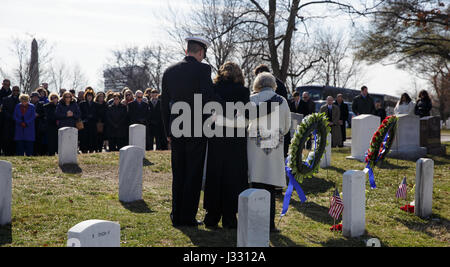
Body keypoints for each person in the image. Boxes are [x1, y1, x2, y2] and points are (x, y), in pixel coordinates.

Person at [161, 36, 213, 227]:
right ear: (200, 52)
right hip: (196, 128)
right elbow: (208, 99)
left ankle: (176, 214)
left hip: (176, 127)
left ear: (186, 51)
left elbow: (164, 104)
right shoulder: (203, 69)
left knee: (179, 172)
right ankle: (188, 216)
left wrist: (167, 130)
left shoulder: (169, 71)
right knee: (193, 172)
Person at [203, 62, 250, 229]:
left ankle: (212, 215)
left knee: (215, 173)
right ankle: (230, 216)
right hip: (236, 137)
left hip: (217, 135)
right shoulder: (243, 91)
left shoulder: (215, 89)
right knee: (234, 175)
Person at [247, 72, 291, 233]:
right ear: (273, 85)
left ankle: (254, 221)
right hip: (274, 145)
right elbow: (286, 127)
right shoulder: (282, 101)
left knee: (255, 183)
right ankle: (269, 224)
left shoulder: (252, 100)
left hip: (255, 146)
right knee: (270, 187)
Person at [1, 86, 20, 156]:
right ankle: (7, 153)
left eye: (17, 90)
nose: (15, 92)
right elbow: (4, 110)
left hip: (18, 122)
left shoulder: (21, 99)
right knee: (7, 138)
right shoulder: (6, 99)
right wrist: (11, 117)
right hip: (8, 122)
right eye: (14, 90)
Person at [79, 88, 98, 153]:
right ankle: (84, 150)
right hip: (84, 124)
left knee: (92, 137)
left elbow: (98, 114)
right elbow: (80, 113)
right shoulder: (82, 104)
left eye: (90, 96)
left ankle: (91, 149)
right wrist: (86, 117)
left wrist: (92, 116)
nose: (89, 97)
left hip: (93, 124)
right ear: (86, 96)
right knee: (84, 138)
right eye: (88, 96)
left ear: (92, 97)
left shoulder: (96, 104)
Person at [30, 91, 47, 156]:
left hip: (38, 124)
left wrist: (38, 115)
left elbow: (45, 113)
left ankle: (38, 153)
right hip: (30, 124)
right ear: (31, 98)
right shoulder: (28, 104)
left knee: (38, 139)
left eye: (36, 97)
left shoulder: (41, 104)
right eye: (33, 97)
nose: (35, 99)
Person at [0, 79, 12, 155]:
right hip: (1, 116)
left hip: (9, 118)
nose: (6, 86)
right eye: (5, 84)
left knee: (7, 135)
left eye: (8, 85)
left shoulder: (11, 93)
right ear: (2, 84)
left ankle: (7, 151)